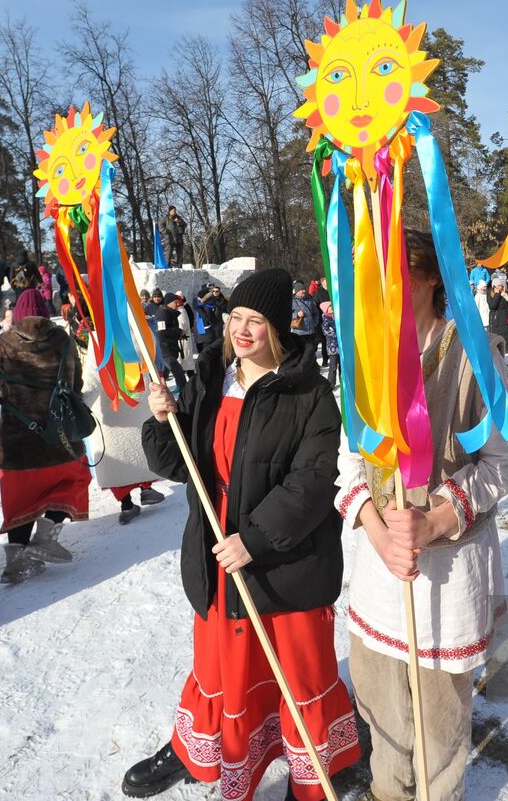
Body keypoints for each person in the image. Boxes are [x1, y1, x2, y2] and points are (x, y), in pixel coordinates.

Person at [127, 267, 359, 801]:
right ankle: (201, 749)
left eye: (256, 320)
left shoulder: (309, 392)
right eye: (236, 317)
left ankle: (310, 778)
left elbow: (313, 481)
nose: (242, 329)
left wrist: (254, 540)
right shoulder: (212, 377)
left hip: (284, 557)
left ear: (278, 327)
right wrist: (162, 421)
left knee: (293, 672)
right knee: (219, 664)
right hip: (215, 545)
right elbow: (178, 464)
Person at [336, 231, 508, 801]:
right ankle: (389, 791)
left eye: (399, 272)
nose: (385, 286)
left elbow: (500, 460)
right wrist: (377, 532)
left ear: (432, 278)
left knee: (439, 716)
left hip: (447, 573)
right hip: (380, 568)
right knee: (379, 700)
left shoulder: (471, 353)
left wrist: (437, 519)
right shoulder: (367, 352)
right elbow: (349, 457)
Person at [0, 288, 93, 585]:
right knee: (73, 480)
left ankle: (16, 562)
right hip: (60, 437)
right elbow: (75, 384)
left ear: (17, 315)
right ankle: (45, 537)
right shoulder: (64, 341)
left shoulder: (3, 344)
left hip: (17, 441)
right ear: (45, 312)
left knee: (21, 498)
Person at [289, 281, 321, 365]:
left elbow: (316, 313)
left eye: (304, 289)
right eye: (301, 290)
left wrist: (314, 323)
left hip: (311, 332)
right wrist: (296, 315)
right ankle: (302, 367)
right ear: (297, 291)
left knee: (311, 351)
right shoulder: (292, 302)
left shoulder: (309, 300)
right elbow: (286, 315)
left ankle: (312, 366)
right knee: (302, 352)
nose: (303, 291)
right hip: (299, 332)